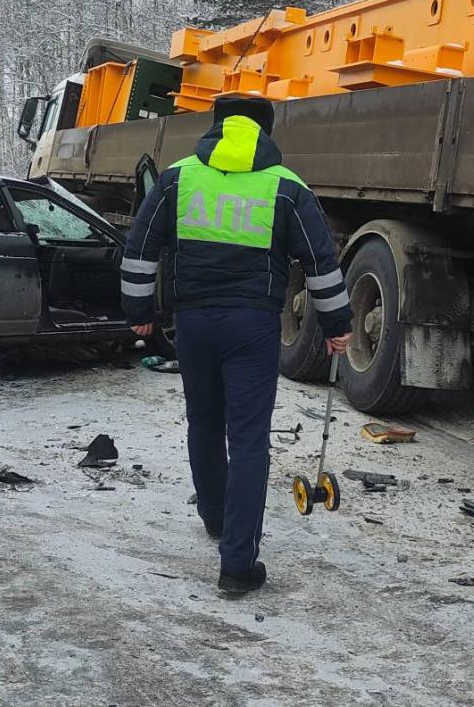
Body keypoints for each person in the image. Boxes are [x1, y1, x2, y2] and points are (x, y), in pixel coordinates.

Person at [121, 94, 352, 595]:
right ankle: (238, 565)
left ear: (217, 127)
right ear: (266, 132)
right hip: (253, 327)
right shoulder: (287, 187)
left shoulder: (177, 178)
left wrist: (139, 313)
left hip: (194, 323)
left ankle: (215, 516)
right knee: (248, 438)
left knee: (204, 422)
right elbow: (321, 262)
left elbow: (139, 248)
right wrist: (337, 323)